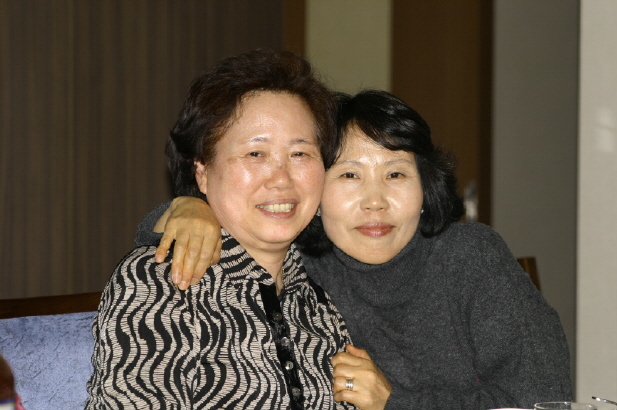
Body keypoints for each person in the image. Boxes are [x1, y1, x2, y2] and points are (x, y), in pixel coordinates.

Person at [136, 90, 574, 409]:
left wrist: (396, 402)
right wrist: (190, 207)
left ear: (426, 187)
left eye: (396, 174)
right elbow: (185, 236)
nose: (375, 202)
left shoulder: (471, 257)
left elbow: (544, 399)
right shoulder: (301, 265)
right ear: (314, 191)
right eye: (349, 175)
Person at [86, 49, 362, 409]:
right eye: (255, 154)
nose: (281, 178)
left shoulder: (319, 301)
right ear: (202, 172)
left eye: (300, 154)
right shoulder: (162, 280)